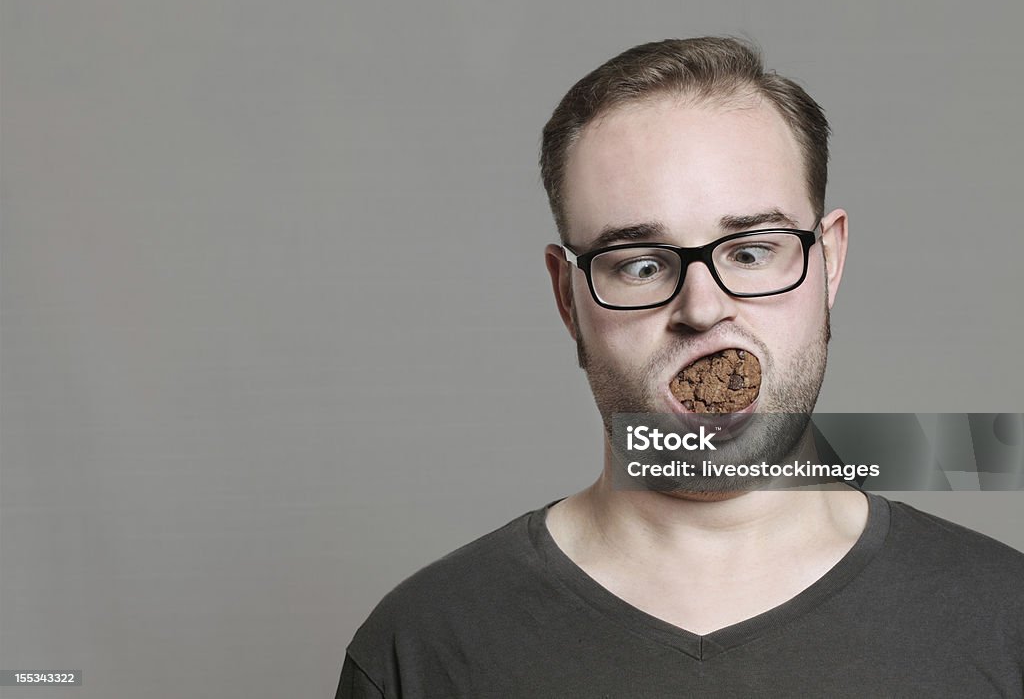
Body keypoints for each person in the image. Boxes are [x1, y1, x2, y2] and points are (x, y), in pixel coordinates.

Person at [336, 37, 1024, 698]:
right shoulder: (423, 647)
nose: (704, 307)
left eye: (751, 252)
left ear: (829, 262)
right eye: (640, 264)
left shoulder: (1004, 622)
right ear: (567, 298)